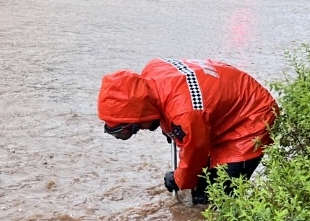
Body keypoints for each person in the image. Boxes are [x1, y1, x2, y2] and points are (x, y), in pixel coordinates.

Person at [97, 58, 278, 204]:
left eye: (133, 128)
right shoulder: (153, 70)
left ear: (142, 114)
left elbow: (194, 154)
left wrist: (177, 180)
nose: (139, 131)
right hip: (225, 106)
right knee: (202, 181)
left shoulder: (184, 114)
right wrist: (170, 128)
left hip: (253, 119)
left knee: (216, 198)